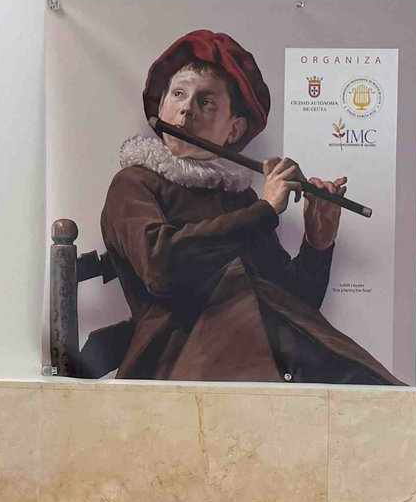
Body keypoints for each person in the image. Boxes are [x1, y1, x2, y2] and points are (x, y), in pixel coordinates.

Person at [99, 29, 399, 384]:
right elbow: (160, 268)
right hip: (186, 363)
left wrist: (318, 243)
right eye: (178, 94)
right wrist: (264, 211)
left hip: (268, 357)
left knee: (378, 393)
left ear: (233, 130)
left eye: (206, 102)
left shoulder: (235, 198)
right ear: (161, 105)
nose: (186, 109)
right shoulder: (134, 183)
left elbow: (293, 302)